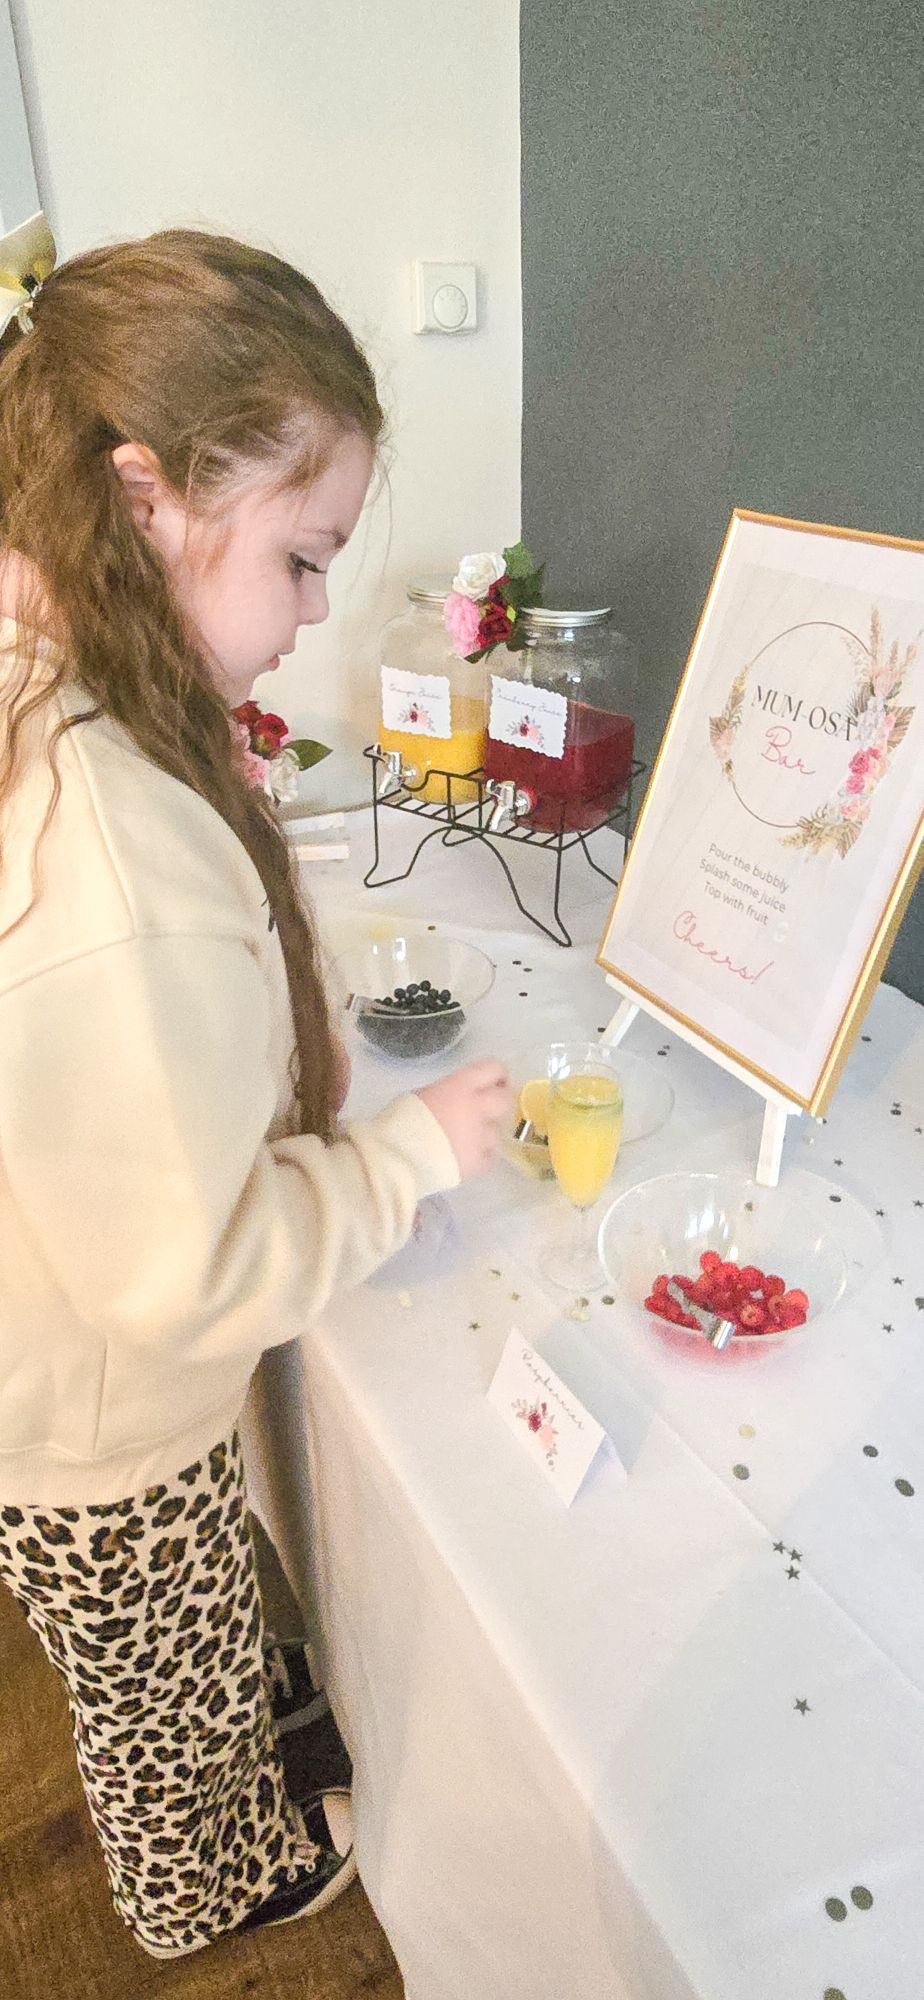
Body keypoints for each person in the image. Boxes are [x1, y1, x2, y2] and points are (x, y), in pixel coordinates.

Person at [0, 223, 511, 1960]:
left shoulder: (69, 687)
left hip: (56, 1357)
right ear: (146, 501)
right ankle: (212, 1885)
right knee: (169, 1680)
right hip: (102, 1419)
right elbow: (191, 1269)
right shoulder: (112, 852)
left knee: (189, 1643)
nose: (312, 614)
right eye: (301, 561)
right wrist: (402, 1161)